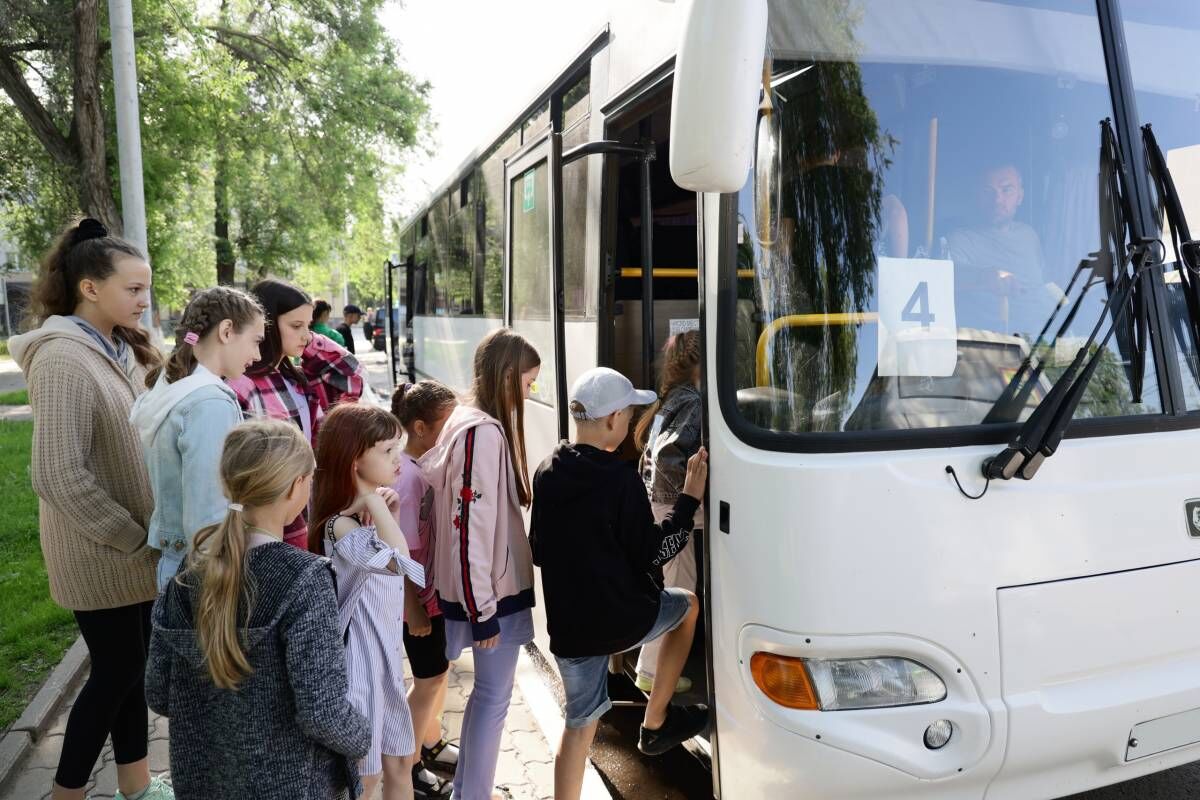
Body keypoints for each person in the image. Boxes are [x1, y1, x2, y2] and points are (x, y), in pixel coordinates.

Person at [9, 218, 172, 800]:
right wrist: (132, 536)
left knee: (130, 676)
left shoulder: (115, 350)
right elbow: (56, 473)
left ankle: (134, 783)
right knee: (116, 675)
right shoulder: (62, 360)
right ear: (89, 288)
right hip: (100, 552)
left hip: (131, 550)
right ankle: (66, 792)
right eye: (133, 288)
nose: (144, 299)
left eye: (145, 287)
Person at [145, 419, 371, 800]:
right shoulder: (305, 579)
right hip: (292, 785)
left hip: (203, 782)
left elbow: (158, 692)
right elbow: (322, 711)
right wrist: (363, 736)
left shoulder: (188, 574)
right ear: (296, 486)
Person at [530, 367, 710, 800]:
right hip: (621, 620)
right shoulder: (619, 479)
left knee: (578, 728)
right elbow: (657, 551)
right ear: (611, 419)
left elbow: (538, 550)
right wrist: (687, 500)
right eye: (629, 415)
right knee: (687, 606)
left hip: (572, 632)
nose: (631, 425)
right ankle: (656, 721)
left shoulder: (547, 470)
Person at [418, 328, 539, 800]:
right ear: (507, 376)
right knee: (493, 698)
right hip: (490, 594)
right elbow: (469, 527)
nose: (529, 393)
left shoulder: (467, 422)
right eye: (528, 383)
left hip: (485, 589)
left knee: (487, 697)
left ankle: (470, 790)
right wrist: (481, 608)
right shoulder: (482, 433)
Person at [310, 403, 427, 800]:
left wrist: (378, 511)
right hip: (359, 672)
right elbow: (402, 567)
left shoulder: (355, 521)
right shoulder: (341, 526)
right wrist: (375, 503)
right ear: (354, 458)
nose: (398, 460)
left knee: (399, 763)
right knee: (367, 778)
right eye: (388, 451)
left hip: (384, 664)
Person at [130, 286, 264, 590]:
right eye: (255, 342)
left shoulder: (174, 385)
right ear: (227, 331)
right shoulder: (208, 402)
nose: (256, 356)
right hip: (202, 575)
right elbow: (209, 514)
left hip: (178, 564)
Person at [227, 278, 365, 546]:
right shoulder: (241, 385)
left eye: (309, 326)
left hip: (310, 508)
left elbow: (350, 376)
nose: (305, 335)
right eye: (295, 325)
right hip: (268, 524)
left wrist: (307, 340)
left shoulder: (297, 380)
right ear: (265, 325)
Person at [391, 381, 460, 798]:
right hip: (416, 601)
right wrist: (414, 607)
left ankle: (430, 742)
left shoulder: (416, 468)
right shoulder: (409, 479)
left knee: (435, 672)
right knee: (430, 680)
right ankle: (410, 762)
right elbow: (399, 552)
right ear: (419, 427)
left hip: (425, 596)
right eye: (446, 425)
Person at [633, 331, 703, 693]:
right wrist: (692, 487)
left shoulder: (672, 397)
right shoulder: (692, 400)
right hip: (672, 501)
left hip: (657, 500)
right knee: (679, 588)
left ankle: (651, 668)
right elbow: (668, 455)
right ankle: (653, 673)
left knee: (673, 583)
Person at [947, 163, 1048, 331]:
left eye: (1006, 190)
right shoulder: (960, 239)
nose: (997, 200)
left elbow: (1043, 285)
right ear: (977, 196)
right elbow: (948, 278)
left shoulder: (1029, 235)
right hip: (991, 344)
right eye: (988, 191)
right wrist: (983, 277)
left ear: (1020, 196)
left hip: (1043, 339)